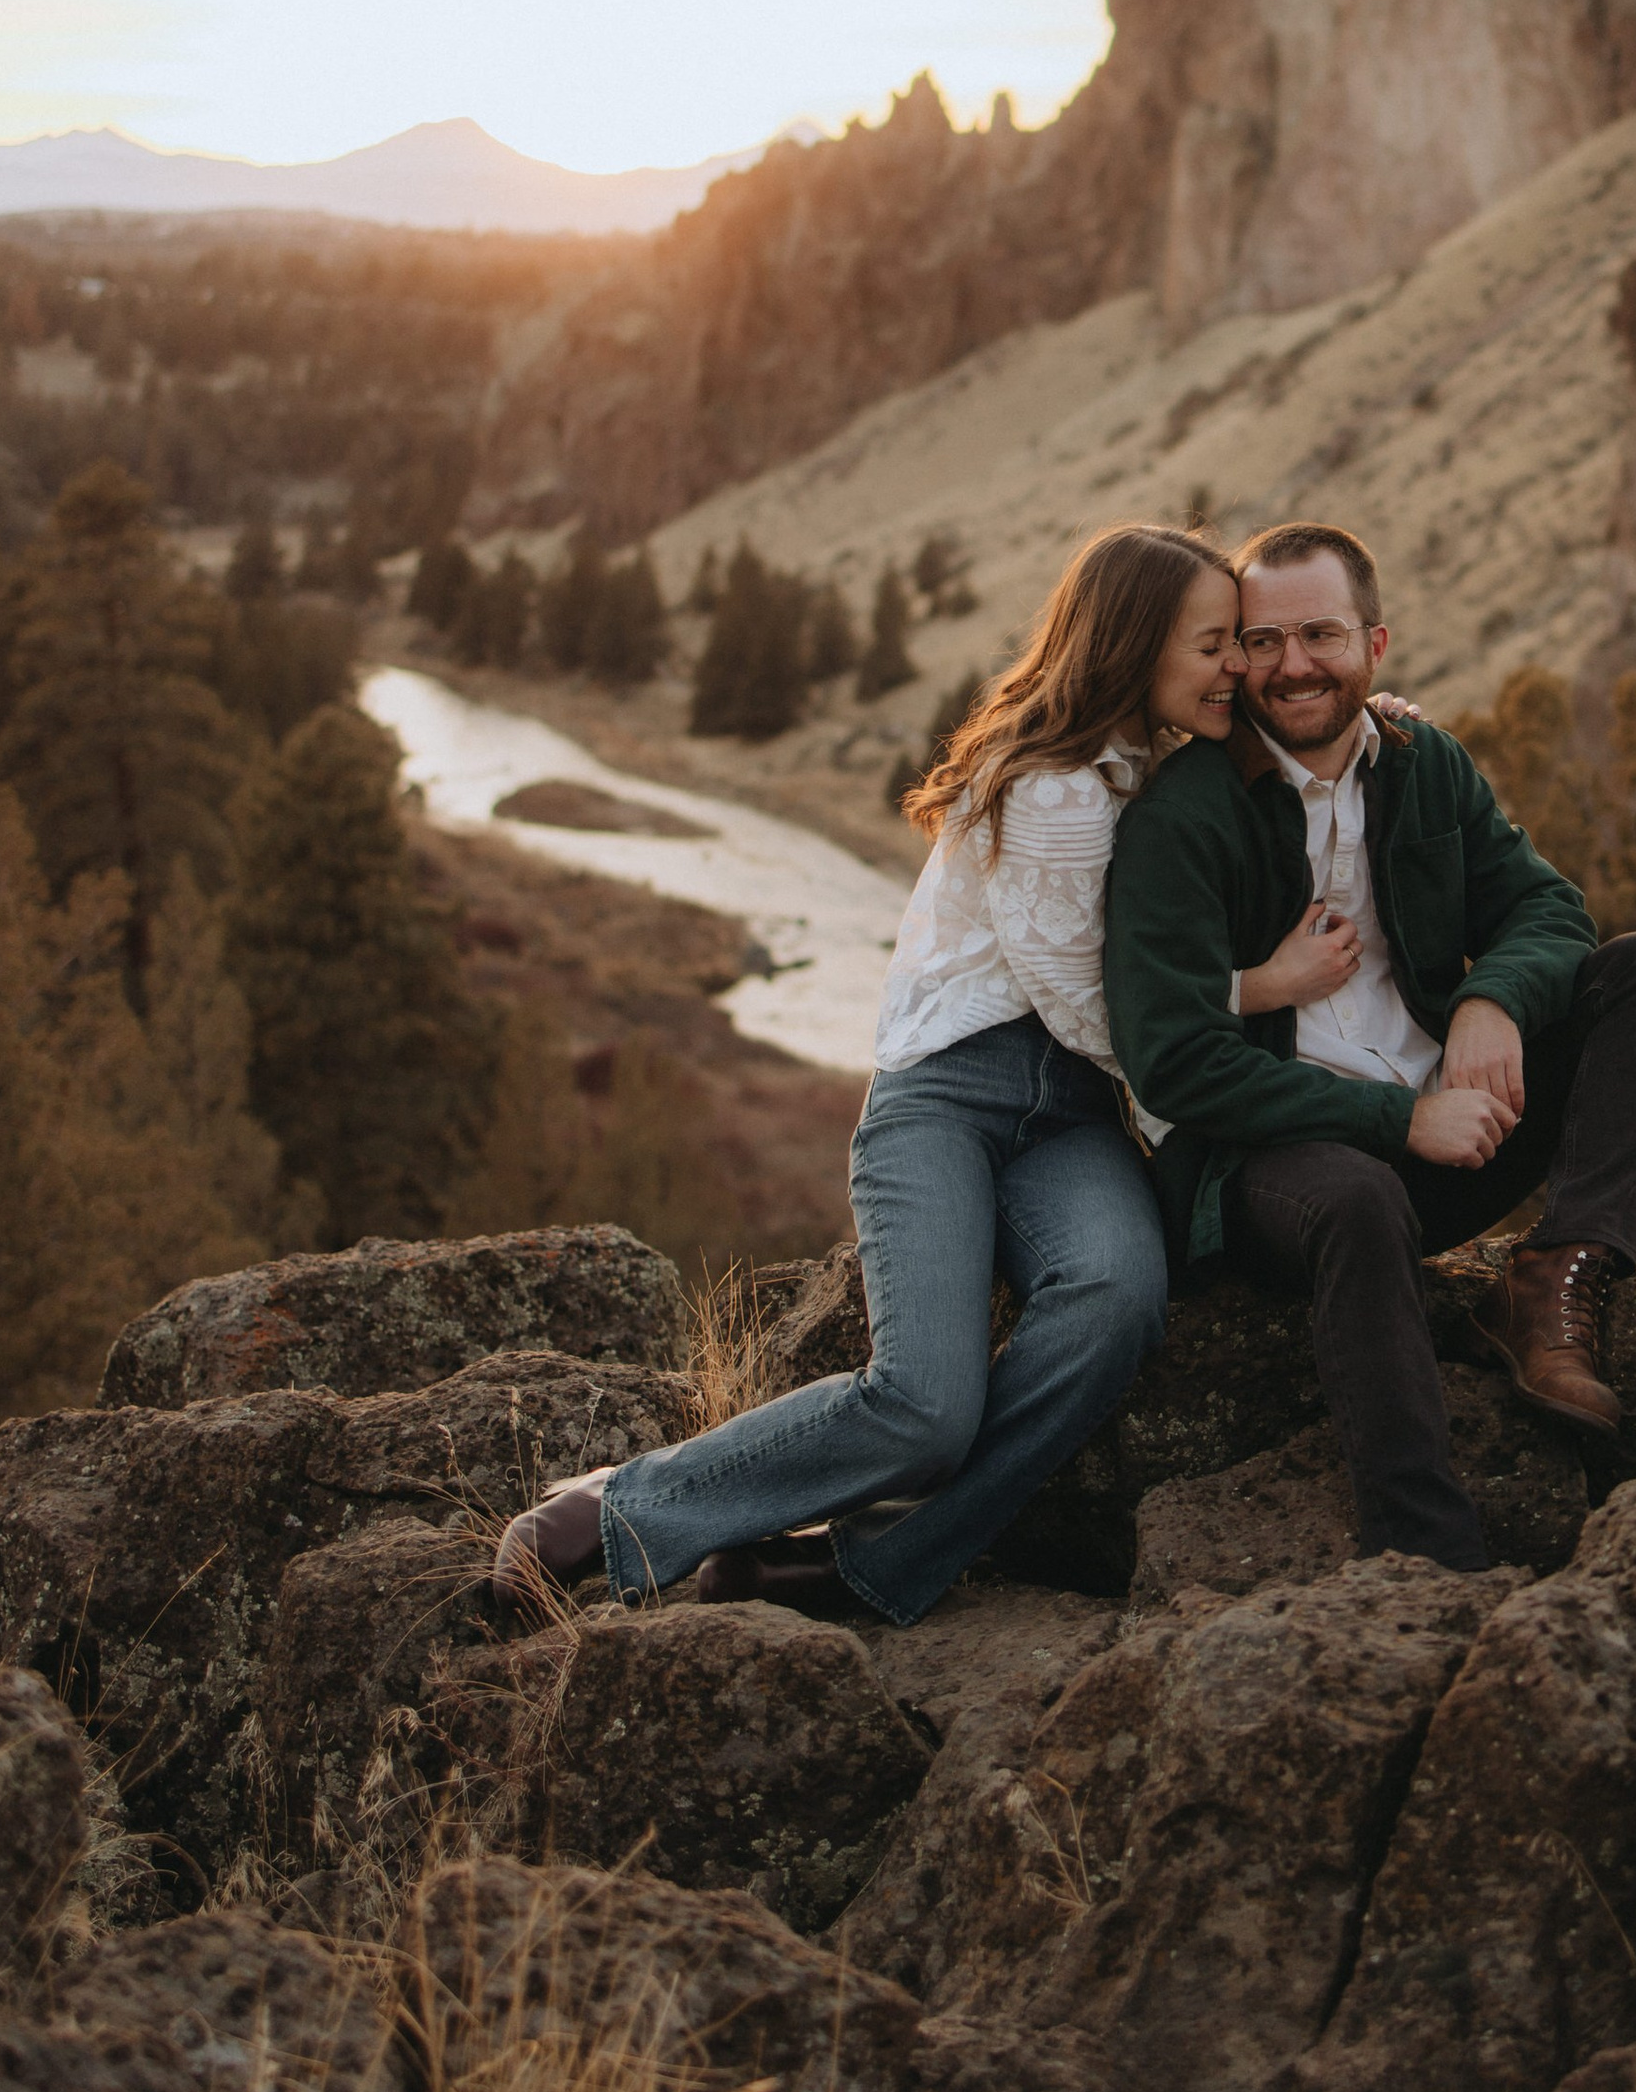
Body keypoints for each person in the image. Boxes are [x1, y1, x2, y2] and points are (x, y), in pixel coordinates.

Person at [490, 522, 1343, 1626]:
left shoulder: (1155, 765)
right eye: (1214, 644)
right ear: (1134, 646)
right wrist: (1260, 989)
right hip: (949, 1096)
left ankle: (865, 1563)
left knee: (1115, 1304)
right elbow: (1100, 1011)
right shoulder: (1051, 790)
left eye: (1238, 643)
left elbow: (1296, 746)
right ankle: (618, 1510)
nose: (1236, 666)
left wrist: (1377, 719)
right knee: (925, 1406)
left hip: (1072, 1114)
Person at [1101, 518, 1636, 1575]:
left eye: (1321, 635)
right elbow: (1176, 1061)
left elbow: (1547, 909)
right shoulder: (1182, 817)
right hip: (1274, 1175)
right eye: (1263, 640)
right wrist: (1401, 1119)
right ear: (1235, 656)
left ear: (1374, 646)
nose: (1293, 665)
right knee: (1357, 1194)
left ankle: (1549, 1283)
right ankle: (1423, 1552)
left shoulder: (1424, 764)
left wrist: (1491, 1004)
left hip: (1451, 1137)